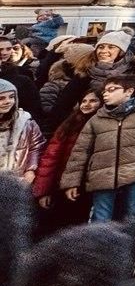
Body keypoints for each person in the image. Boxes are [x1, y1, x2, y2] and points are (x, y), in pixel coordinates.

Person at [61, 73, 135, 223]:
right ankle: (101, 247)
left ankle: (128, 246)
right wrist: (72, 181)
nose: (106, 93)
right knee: (101, 216)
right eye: (105, 90)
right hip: (102, 174)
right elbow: (80, 151)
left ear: (129, 91)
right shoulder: (97, 119)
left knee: (133, 214)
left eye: (112, 89)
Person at [33, 86, 99, 230]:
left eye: (93, 101)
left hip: (90, 187)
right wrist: (44, 191)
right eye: (84, 101)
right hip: (62, 184)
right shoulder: (70, 124)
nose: (87, 104)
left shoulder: (103, 127)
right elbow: (51, 158)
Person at [0, 77, 44, 184]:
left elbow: (37, 146)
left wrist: (31, 169)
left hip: (17, 182)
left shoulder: (25, 122)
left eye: (11, 97)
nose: (8, 102)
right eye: (1, 98)